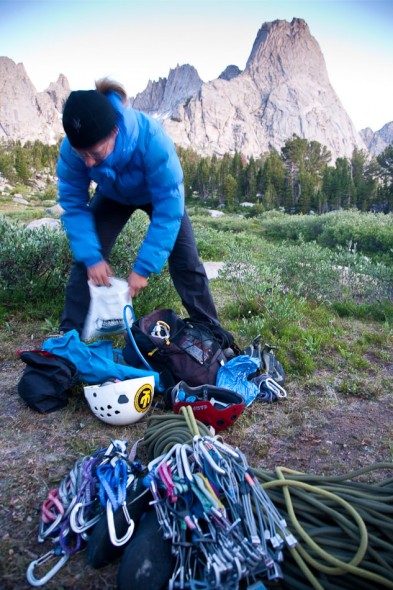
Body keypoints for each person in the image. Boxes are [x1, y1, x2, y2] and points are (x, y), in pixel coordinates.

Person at [56, 78, 226, 341]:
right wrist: (92, 257)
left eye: (96, 155)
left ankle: (211, 334)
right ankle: (68, 339)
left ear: (114, 132)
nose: (88, 162)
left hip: (156, 196)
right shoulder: (74, 147)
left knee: (187, 262)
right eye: (82, 155)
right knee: (85, 261)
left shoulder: (152, 140)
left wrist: (144, 267)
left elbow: (169, 210)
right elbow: (73, 205)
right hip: (112, 195)